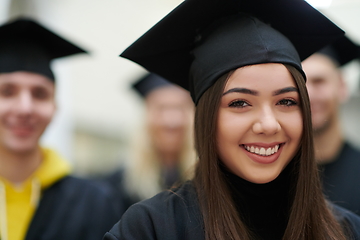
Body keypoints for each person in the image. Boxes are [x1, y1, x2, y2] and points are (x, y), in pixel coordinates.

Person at [103, 0, 360, 239]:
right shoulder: (150, 229)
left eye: (286, 102)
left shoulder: (345, 230)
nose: (269, 124)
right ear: (205, 118)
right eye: (240, 103)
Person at [0, 17, 120, 240]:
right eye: (7, 91)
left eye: (40, 94)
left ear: (55, 107)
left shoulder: (95, 203)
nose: (25, 108)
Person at [105, 73, 195, 211]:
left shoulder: (212, 182)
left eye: (180, 108)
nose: (171, 121)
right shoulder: (117, 186)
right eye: (161, 108)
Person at [302, 36, 360, 215]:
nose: (308, 94)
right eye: (299, 83)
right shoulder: (276, 173)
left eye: (319, 81)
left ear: (342, 87)